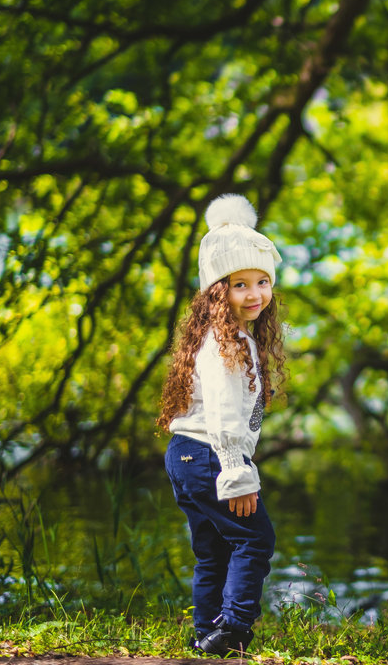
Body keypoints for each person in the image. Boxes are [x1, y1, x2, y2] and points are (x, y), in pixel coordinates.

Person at [157, 194, 286, 657]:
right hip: (212, 455)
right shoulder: (228, 343)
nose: (255, 294)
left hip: (185, 455)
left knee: (213, 551)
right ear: (217, 291)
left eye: (262, 281)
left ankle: (205, 635)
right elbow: (225, 412)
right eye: (239, 285)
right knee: (255, 540)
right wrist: (236, 472)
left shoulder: (216, 337)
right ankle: (231, 629)